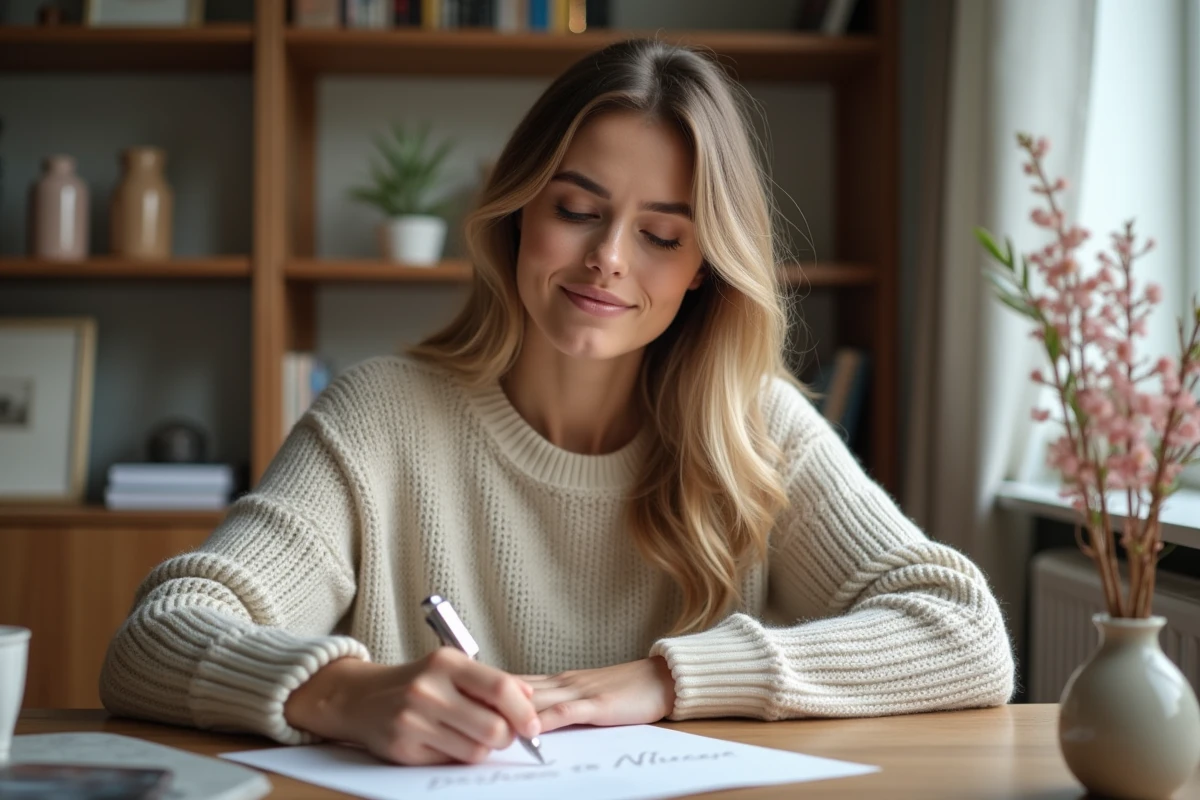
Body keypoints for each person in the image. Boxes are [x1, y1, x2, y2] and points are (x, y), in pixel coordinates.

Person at [99, 38, 1014, 767]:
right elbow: (154, 638)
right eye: (577, 210)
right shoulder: (379, 416)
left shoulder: (756, 425)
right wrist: (339, 691)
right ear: (518, 214)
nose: (610, 258)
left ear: (703, 270)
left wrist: (665, 679)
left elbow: (967, 636)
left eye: (661, 234)